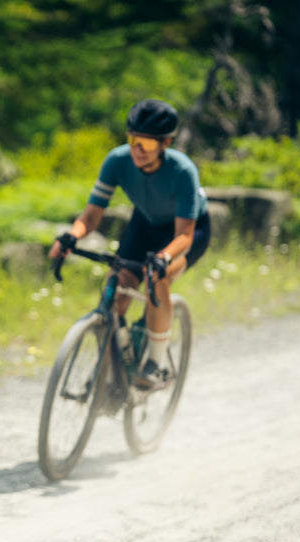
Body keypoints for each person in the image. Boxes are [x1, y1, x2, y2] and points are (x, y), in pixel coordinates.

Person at [48, 98, 210, 388]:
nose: (137, 150)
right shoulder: (117, 161)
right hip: (145, 224)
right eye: (133, 140)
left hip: (185, 233)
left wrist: (162, 258)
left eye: (146, 145)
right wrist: (71, 236)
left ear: (165, 143)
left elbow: (184, 235)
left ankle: (155, 364)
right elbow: (91, 216)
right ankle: (110, 373)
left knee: (156, 279)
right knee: (116, 291)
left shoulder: (182, 171)